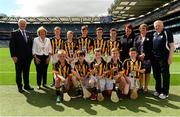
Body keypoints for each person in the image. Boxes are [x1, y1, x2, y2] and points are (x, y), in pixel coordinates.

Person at [9, 19, 34, 93]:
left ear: (26, 25)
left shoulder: (29, 33)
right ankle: (20, 87)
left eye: (24, 24)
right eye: (21, 24)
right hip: (18, 58)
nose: (23, 25)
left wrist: (32, 55)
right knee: (18, 73)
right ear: (18, 25)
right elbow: (12, 45)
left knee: (26, 72)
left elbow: (31, 45)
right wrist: (13, 56)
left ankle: (27, 85)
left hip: (28, 58)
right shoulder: (14, 33)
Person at [152, 20, 174, 99]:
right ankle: (158, 90)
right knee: (156, 75)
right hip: (155, 59)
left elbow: (171, 46)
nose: (157, 27)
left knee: (165, 75)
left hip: (164, 58)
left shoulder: (167, 32)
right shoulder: (154, 34)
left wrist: (170, 57)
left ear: (162, 25)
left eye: (158, 25)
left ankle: (165, 92)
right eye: (155, 26)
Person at [133, 24, 153, 93]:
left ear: (146, 29)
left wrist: (145, 54)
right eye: (141, 28)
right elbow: (134, 48)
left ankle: (146, 87)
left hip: (148, 58)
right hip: (139, 58)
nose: (143, 29)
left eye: (144, 28)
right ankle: (141, 86)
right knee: (140, 73)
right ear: (139, 29)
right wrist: (138, 55)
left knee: (147, 73)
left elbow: (152, 48)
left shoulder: (150, 37)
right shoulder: (136, 38)